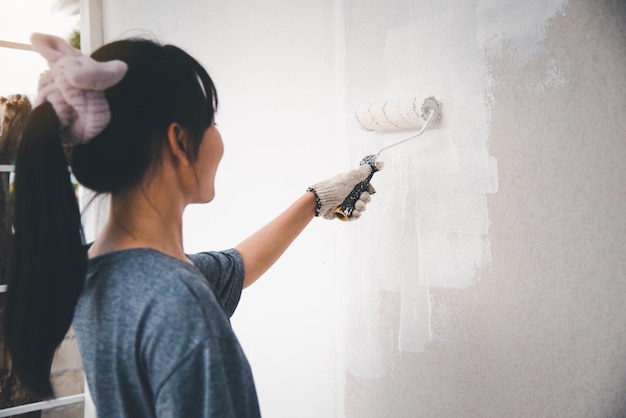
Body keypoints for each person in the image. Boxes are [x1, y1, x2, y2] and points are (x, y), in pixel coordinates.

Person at [2, 33, 378, 417]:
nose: (220, 138)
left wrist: (316, 199)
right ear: (180, 140)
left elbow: (237, 267)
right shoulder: (180, 304)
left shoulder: (99, 270)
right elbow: (184, 295)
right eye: (211, 121)